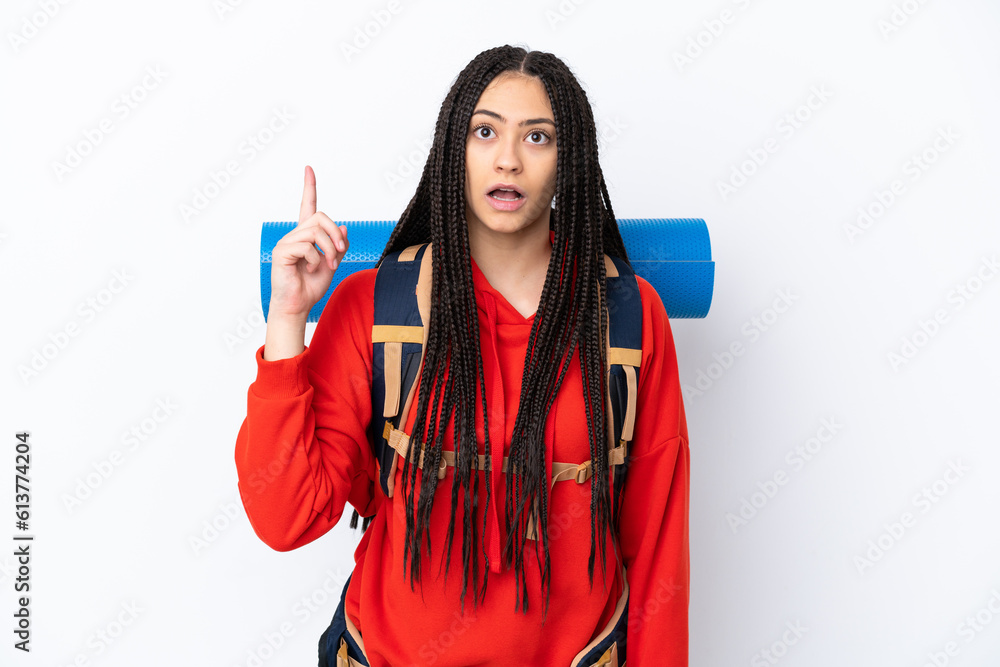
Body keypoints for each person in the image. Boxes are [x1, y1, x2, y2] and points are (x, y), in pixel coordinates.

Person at [234, 45, 690, 666]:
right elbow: (286, 518)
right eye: (485, 131)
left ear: (568, 163)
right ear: (456, 149)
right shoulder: (373, 307)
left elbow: (658, 546)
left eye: (537, 137)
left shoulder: (629, 319)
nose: (508, 158)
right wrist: (288, 319)